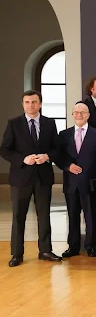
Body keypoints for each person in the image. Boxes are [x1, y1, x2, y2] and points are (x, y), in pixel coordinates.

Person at [0, 90, 62, 267]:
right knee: (19, 217)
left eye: (34, 102)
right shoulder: (14, 124)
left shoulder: (50, 124)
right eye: (27, 102)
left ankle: (45, 250)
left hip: (43, 177)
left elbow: (57, 149)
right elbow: (5, 149)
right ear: (23, 104)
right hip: (20, 178)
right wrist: (23, 159)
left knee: (44, 215)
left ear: (40, 104)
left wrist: (47, 156)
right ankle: (17, 254)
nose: (31, 105)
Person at [57, 103, 96, 258]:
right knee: (72, 216)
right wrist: (68, 166)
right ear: (72, 114)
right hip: (71, 182)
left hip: (90, 183)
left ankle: (91, 245)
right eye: (76, 112)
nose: (79, 115)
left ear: (88, 115)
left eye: (82, 112)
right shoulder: (64, 135)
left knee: (91, 216)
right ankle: (73, 247)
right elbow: (59, 157)